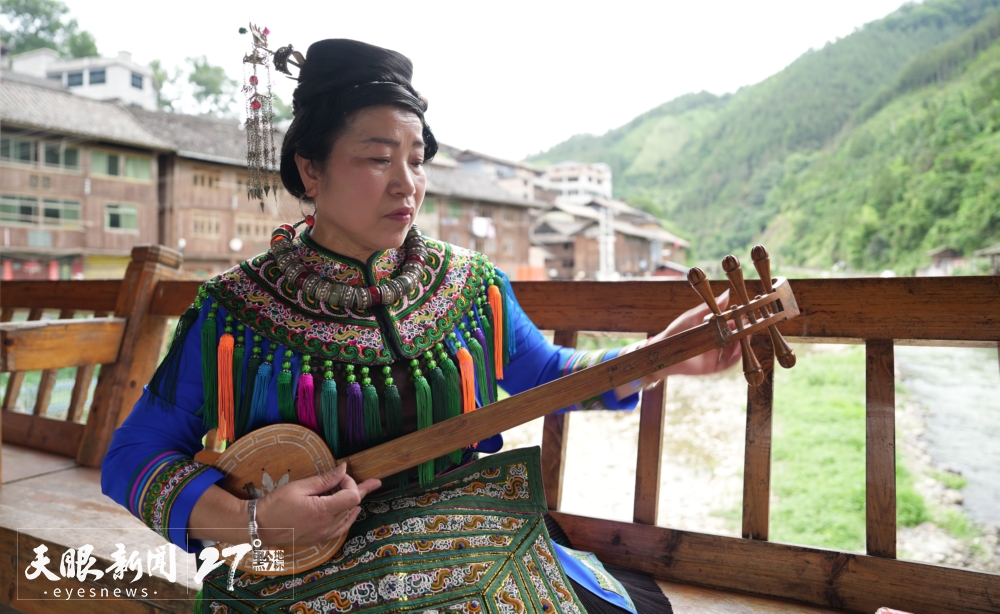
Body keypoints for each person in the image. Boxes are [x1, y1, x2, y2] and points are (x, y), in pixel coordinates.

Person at [102, 38, 739, 613]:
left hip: (466, 536)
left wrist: (660, 356)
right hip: (303, 569)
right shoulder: (236, 308)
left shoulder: (469, 284)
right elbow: (132, 456)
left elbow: (544, 373)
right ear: (310, 169)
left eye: (417, 158)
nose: (407, 184)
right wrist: (251, 525)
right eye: (379, 159)